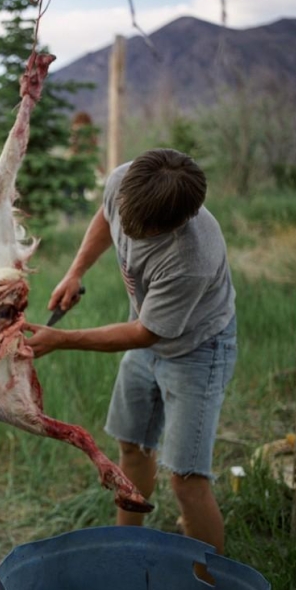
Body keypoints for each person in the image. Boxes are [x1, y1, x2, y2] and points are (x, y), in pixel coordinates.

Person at [24, 148, 237, 562]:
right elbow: (105, 217)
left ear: (178, 221)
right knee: (132, 447)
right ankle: (125, 554)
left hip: (197, 350)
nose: (132, 234)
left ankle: (209, 585)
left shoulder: (191, 256)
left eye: (146, 231)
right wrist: (75, 271)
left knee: (187, 480)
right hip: (147, 336)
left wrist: (61, 338)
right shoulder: (126, 180)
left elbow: (145, 332)